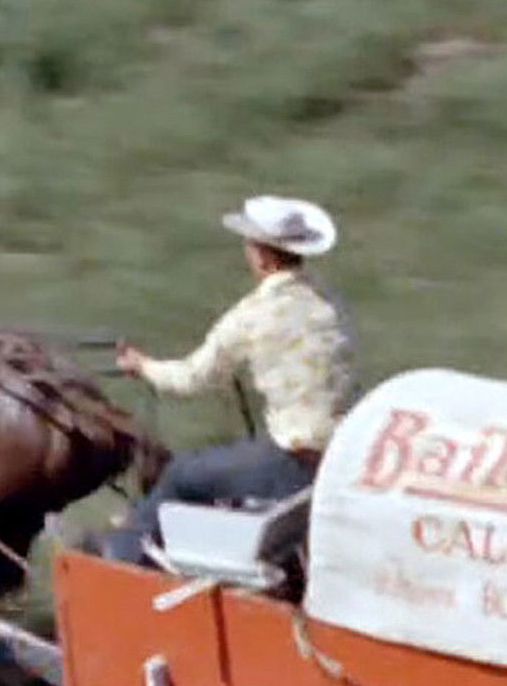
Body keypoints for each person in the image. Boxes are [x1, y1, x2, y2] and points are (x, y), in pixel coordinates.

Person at [106, 195, 359, 558]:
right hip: (340, 453)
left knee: (180, 474)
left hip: (292, 462)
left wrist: (142, 366)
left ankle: (120, 558)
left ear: (263, 256)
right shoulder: (330, 301)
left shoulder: (251, 316)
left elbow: (194, 377)